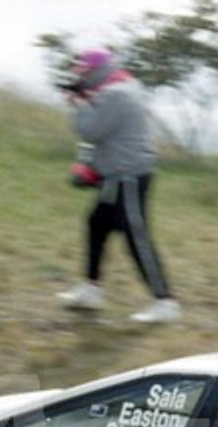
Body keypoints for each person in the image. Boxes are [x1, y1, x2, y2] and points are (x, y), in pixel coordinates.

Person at [57, 48, 179, 324]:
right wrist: (88, 165)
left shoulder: (116, 94)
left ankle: (165, 302)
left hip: (129, 177)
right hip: (116, 176)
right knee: (97, 224)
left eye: (84, 72)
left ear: (97, 70)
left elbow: (89, 130)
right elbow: (100, 139)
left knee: (137, 237)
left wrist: (77, 104)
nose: (80, 76)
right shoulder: (120, 87)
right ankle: (91, 290)